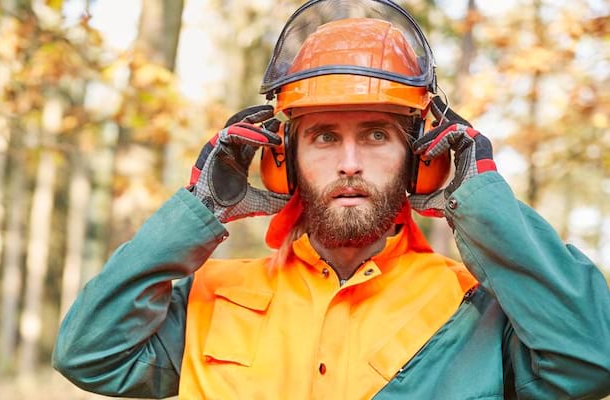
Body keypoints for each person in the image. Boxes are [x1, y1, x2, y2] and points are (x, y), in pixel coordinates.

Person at [52, 1, 610, 398]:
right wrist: (197, 212)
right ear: (283, 160)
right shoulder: (212, 297)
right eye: (323, 136)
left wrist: (482, 202)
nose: (349, 161)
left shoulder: (477, 309)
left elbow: (591, 362)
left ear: (422, 160)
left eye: (375, 134)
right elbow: (89, 355)